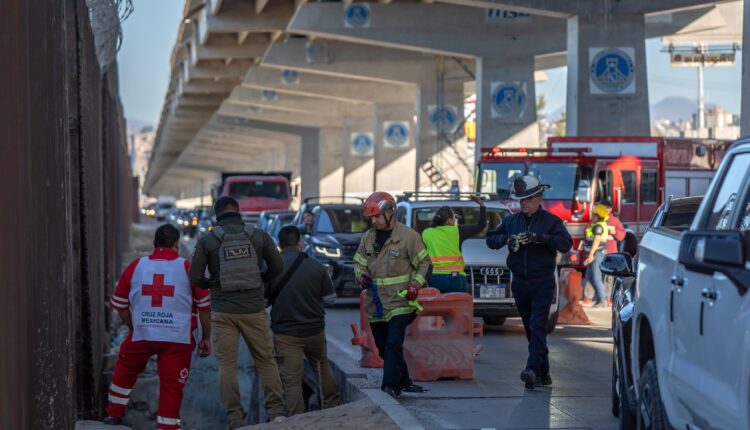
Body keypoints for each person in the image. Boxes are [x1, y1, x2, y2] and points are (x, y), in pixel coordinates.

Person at [189, 196, 286, 428]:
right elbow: (278, 267)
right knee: (265, 361)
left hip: (223, 312)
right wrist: (260, 280)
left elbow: (194, 277)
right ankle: (276, 414)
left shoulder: (208, 240)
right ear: (238, 212)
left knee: (227, 366)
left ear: (217, 214)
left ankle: (235, 418)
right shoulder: (259, 235)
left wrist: (213, 285)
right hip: (254, 309)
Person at [103, 224, 211, 429]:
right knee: (172, 387)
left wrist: (134, 327)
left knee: (125, 370)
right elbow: (205, 306)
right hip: (177, 339)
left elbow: (120, 305)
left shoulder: (137, 266)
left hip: (143, 334)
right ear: (177, 244)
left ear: (154, 244)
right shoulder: (187, 267)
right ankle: (167, 427)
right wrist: (205, 338)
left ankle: (114, 415)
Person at [486, 175, 573, 389]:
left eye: (527, 199)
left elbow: (566, 244)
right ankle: (544, 373)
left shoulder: (551, 222)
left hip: (542, 282)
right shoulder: (511, 221)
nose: (523, 203)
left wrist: (538, 238)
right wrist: (508, 240)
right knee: (530, 329)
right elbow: (491, 239)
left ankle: (532, 369)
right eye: (521, 200)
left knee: (537, 326)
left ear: (538, 198)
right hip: (520, 283)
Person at [353, 191, 431, 398]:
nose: (374, 221)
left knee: (393, 342)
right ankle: (404, 380)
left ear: (390, 212)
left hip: (401, 301)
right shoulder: (368, 238)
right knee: (383, 346)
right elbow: (359, 262)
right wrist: (361, 276)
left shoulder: (408, 236)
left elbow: (425, 263)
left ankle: (390, 386)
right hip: (376, 303)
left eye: (377, 216)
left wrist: (416, 285)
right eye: (372, 218)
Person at [267, 226, 341, 415]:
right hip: (314, 330)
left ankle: (297, 420)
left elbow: (264, 301)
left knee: (291, 381)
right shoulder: (316, 266)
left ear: (279, 245)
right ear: (300, 243)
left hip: (285, 335)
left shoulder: (271, 269)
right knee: (321, 366)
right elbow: (330, 299)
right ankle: (332, 410)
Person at [420, 195, 487, 293]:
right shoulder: (457, 231)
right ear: (449, 220)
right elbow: (481, 225)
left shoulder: (426, 232)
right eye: (454, 217)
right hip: (455, 279)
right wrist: (482, 205)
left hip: (434, 278)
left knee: (435, 307)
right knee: (457, 306)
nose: (455, 220)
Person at [583, 204, 610, 308]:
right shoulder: (598, 224)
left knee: (596, 278)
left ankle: (602, 301)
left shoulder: (598, 226)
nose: (592, 217)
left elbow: (597, 240)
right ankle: (600, 299)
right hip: (595, 253)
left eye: (594, 215)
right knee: (589, 276)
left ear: (598, 216)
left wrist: (590, 255)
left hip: (597, 254)